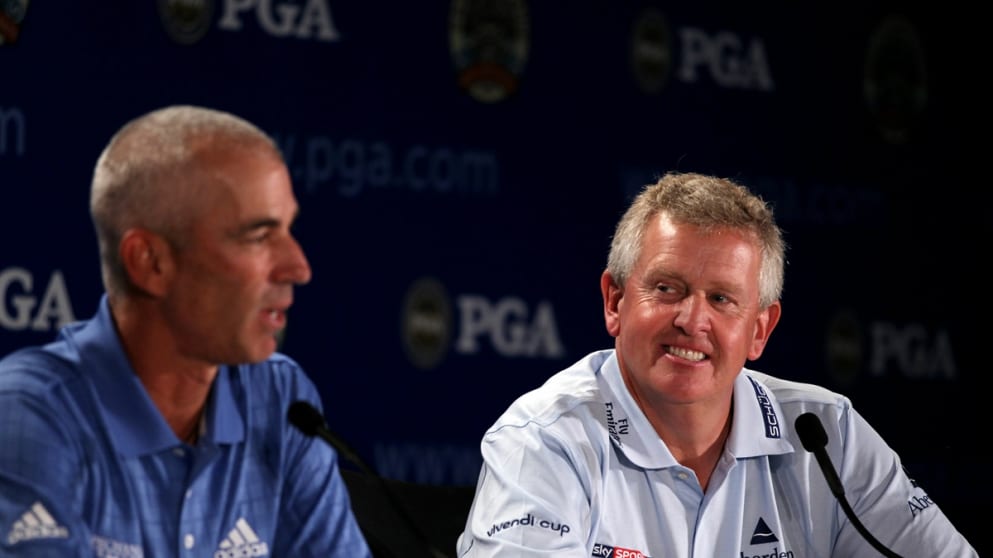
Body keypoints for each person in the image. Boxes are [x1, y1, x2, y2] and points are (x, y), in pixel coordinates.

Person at [456, 172, 977, 557]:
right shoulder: (544, 440)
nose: (691, 319)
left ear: (759, 330)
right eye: (666, 289)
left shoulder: (825, 436)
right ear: (614, 302)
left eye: (722, 299)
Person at [0, 105, 372, 557]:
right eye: (258, 236)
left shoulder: (281, 399)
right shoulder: (31, 412)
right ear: (150, 262)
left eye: (289, 229)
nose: (299, 267)